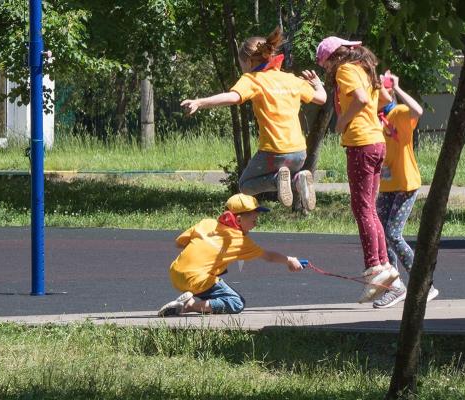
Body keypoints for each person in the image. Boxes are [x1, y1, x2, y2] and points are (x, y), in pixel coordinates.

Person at [181, 27, 327, 211]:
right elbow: (322, 99)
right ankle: (298, 178)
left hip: (273, 152)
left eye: (241, 63)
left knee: (246, 185)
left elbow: (233, 98)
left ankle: (278, 180)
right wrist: (316, 85)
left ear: (248, 61)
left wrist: (200, 102)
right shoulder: (290, 79)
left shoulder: (252, 79)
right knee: (290, 174)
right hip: (298, 153)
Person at [315, 36, 398, 303]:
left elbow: (362, 99)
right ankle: (384, 267)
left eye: (324, 63)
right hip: (376, 141)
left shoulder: (345, 69)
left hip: (361, 143)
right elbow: (385, 98)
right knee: (370, 209)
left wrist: (342, 123)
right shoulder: (364, 67)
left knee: (361, 208)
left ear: (332, 57)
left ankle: (374, 267)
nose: (325, 69)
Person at [157, 193, 304, 317]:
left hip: (175, 274)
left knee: (214, 281)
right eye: (254, 220)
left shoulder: (206, 223)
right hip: (197, 280)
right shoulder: (240, 240)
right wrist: (289, 260)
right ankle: (189, 306)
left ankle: (191, 301)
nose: (255, 224)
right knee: (236, 302)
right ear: (239, 220)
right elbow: (269, 256)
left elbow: (179, 243)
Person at [372, 71, 438, 309]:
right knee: (381, 234)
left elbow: (418, 111)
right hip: (387, 185)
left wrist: (397, 88)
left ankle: (424, 284)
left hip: (406, 183)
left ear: (387, 92)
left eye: (377, 87)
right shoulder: (373, 117)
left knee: (392, 234)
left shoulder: (397, 113)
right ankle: (395, 286)